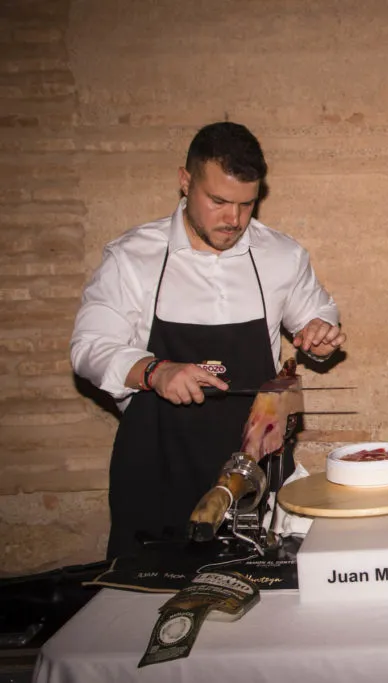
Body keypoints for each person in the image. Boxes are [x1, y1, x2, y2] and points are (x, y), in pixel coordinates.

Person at [71, 122, 345, 558]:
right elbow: (89, 347)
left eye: (246, 204)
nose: (233, 220)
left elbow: (316, 311)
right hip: (158, 467)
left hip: (254, 468)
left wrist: (319, 329)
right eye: (217, 201)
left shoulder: (280, 255)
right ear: (185, 181)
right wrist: (155, 371)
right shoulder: (132, 258)